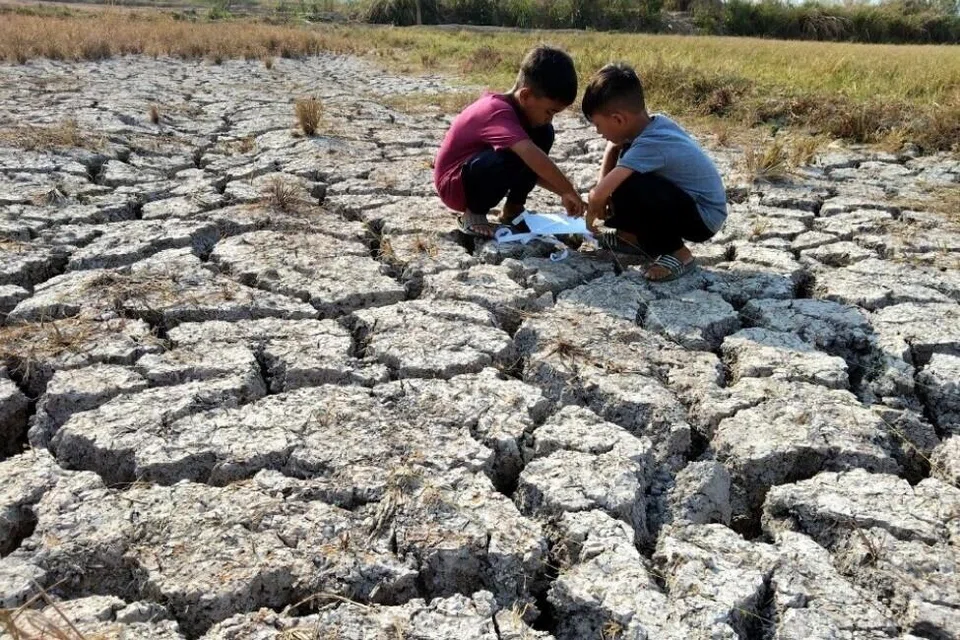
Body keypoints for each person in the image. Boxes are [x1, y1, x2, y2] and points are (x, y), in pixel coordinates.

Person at [582, 62, 727, 282]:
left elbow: (599, 194)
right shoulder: (648, 124)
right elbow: (614, 147)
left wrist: (593, 212)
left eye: (598, 125)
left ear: (619, 119)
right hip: (687, 204)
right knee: (623, 175)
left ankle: (680, 255)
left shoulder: (653, 142)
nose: (598, 132)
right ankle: (630, 238)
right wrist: (605, 187)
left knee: (630, 182)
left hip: (703, 217)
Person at [433, 45, 586, 238]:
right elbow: (530, 157)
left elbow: (531, 171)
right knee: (514, 154)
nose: (550, 118)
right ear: (525, 96)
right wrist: (567, 189)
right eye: (549, 111)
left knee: (544, 133)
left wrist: (566, 194)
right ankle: (473, 213)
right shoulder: (496, 111)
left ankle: (513, 208)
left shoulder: (523, 118)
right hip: (454, 186)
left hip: (476, 173)